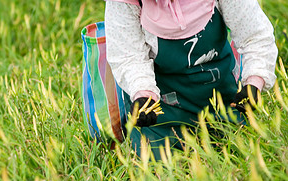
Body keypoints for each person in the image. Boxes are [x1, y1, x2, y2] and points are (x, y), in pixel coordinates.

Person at [105, 0, 278, 160]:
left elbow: (255, 36)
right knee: (158, 171)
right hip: (162, 112)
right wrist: (143, 93)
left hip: (224, 99)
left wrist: (254, 82)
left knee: (244, 153)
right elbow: (129, 57)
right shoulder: (122, 3)